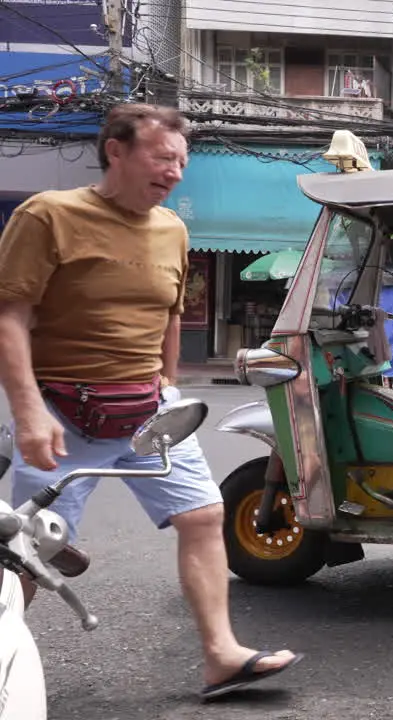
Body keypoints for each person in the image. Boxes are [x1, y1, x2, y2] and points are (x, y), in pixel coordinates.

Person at [0, 103, 302, 701]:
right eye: (164, 158)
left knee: (205, 516)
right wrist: (28, 409)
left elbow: (169, 313)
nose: (176, 172)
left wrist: (170, 384)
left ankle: (221, 655)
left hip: (148, 411)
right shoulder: (49, 215)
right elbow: (11, 316)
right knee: (28, 548)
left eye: (182, 162)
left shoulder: (172, 228)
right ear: (116, 150)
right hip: (63, 410)